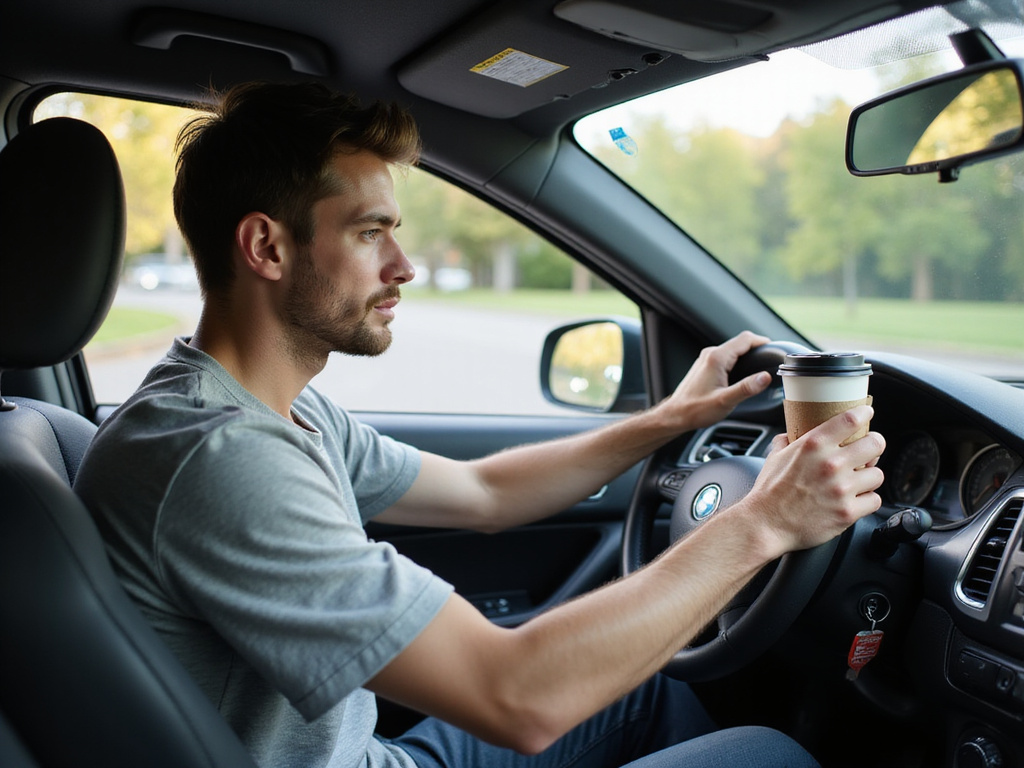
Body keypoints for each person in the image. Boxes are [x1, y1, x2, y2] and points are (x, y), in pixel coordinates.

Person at [75, 82, 886, 768]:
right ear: (266, 246)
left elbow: (483, 491)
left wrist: (670, 418)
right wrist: (766, 520)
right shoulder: (224, 456)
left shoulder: (265, 406)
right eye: (370, 233)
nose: (405, 266)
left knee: (653, 683)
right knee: (765, 757)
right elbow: (519, 696)